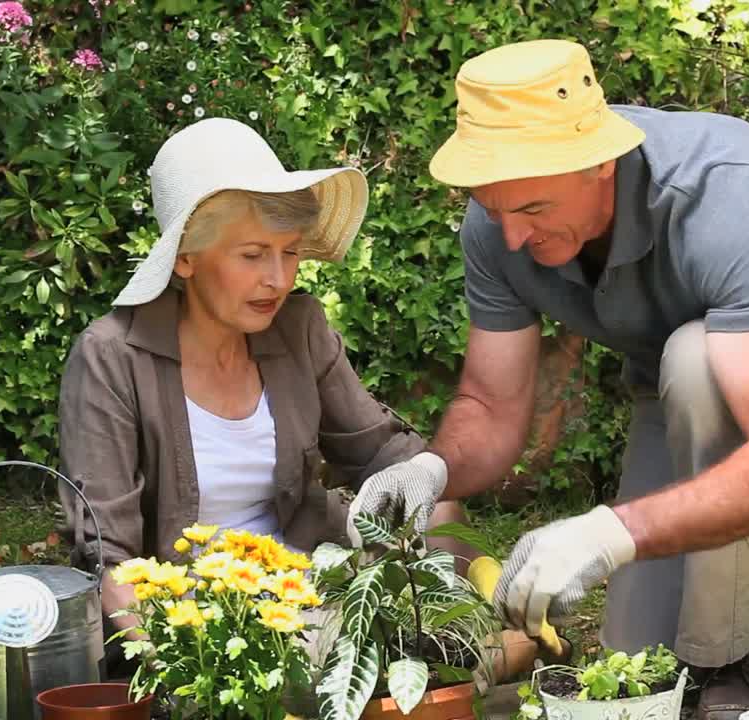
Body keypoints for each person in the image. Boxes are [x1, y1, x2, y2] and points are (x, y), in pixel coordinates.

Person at [348, 40, 749, 719]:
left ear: (601, 162)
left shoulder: (719, 188)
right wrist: (429, 469)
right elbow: (490, 403)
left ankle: (725, 669)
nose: (511, 237)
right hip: (686, 389)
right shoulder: (498, 226)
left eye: (533, 210)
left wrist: (604, 533)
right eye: (492, 206)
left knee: (698, 361)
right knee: (635, 666)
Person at [57, 117, 469, 675]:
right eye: (252, 255)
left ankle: (452, 651)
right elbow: (110, 565)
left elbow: (383, 454)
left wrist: (421, 484)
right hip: (195, 627)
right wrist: (187, 671)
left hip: (316, 595)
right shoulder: (111, 357)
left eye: (290, 253)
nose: (278, 279)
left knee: (441, 511)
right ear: (186, 258)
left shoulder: (298, 327)